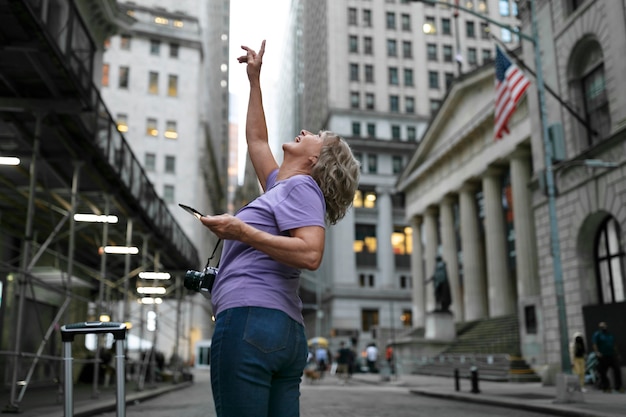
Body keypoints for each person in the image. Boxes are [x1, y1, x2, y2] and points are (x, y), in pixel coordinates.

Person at [199, 40, 360, 417]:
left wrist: (241, 232)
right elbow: (256, 139)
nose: (305, 130)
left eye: (316, 135)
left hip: (250, 320)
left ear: (316, 159)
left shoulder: (301, 188)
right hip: (279, 329)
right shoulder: (280, 187)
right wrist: (254, 80)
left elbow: (310, 253)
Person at [592, 321, 623, 393]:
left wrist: (617, 354)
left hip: (611, 355)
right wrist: (597, 352)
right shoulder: (597, 334)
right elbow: (594, 344)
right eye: (602, 326)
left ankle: (618, 386)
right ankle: (606, 387)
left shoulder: (610, 335)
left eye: (604, 326)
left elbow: (614, 345)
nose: (604, 327)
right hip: (603, 356)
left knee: (617, 370)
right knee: (602, 372)